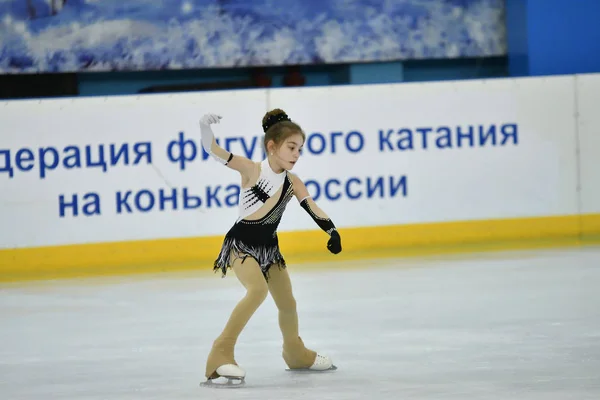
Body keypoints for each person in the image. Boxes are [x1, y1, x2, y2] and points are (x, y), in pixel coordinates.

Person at [198, 109, 342, 385]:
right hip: (241, 245)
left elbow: (311, 206)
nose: (296, 154)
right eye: (291, 147)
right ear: (272, 147)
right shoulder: (251, 169)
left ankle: (295, 353)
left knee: (287, 302)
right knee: (257, 290)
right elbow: (212, 149)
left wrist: (331, 229)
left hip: (269, 250)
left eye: (300, 149)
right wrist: (204, 126)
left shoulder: (292, 182)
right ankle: (220, 353)